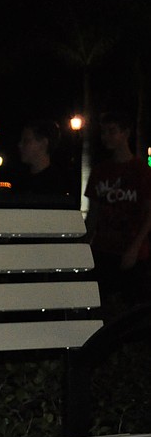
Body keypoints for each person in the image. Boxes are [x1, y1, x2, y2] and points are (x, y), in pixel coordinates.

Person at [85, 110, 151, 308]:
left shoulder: (141, 171)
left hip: (132, 251)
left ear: (126, 133)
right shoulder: (100, 171)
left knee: (131, 309)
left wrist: (135, 247)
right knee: (102, 306)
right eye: (103, 132)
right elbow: (93, 214)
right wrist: (85, 245)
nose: (106, 137)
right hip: (104, 248)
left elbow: (149, 213)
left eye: (112, 131)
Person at [13, 119, 73, 197]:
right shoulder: (20, 181)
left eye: (26, 141)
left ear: (43, 144)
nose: (20, 145)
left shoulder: (56, 184)